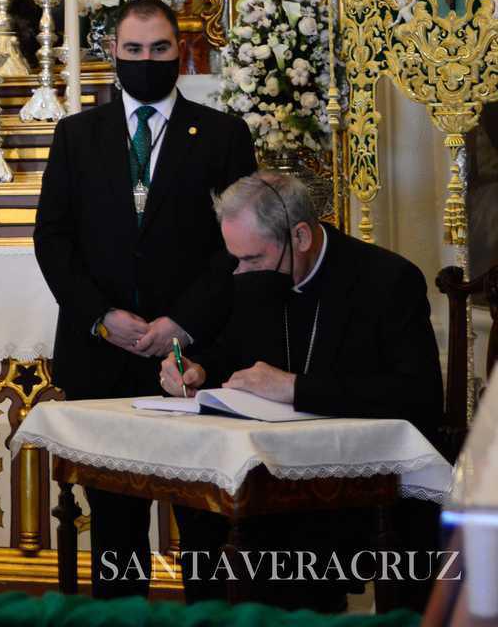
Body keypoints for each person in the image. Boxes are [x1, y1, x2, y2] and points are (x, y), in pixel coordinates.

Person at [33, 0, 255, 599]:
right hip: (100, 355)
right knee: (115, 524)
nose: (146, 60)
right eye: (134, 50)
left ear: (178, 52)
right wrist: (101, 318)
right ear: (113, 52)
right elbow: (52, 238)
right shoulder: (76, 135)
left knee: (203, 522)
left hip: (193, 355)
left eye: (159, 49)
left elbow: (235, 247)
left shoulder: (223, 135)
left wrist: (182, 323)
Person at [159, 172, 445, 608]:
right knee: (202, 512)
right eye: (235, 259)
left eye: (252, 259)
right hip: (276, 470)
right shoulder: (254, 273)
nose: (240, 272)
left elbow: (417, 395)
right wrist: (198, 371)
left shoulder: (387, 281)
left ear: (302, 236)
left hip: (363, 475)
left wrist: (296, 388)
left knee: (280, 539)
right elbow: (235, 353)